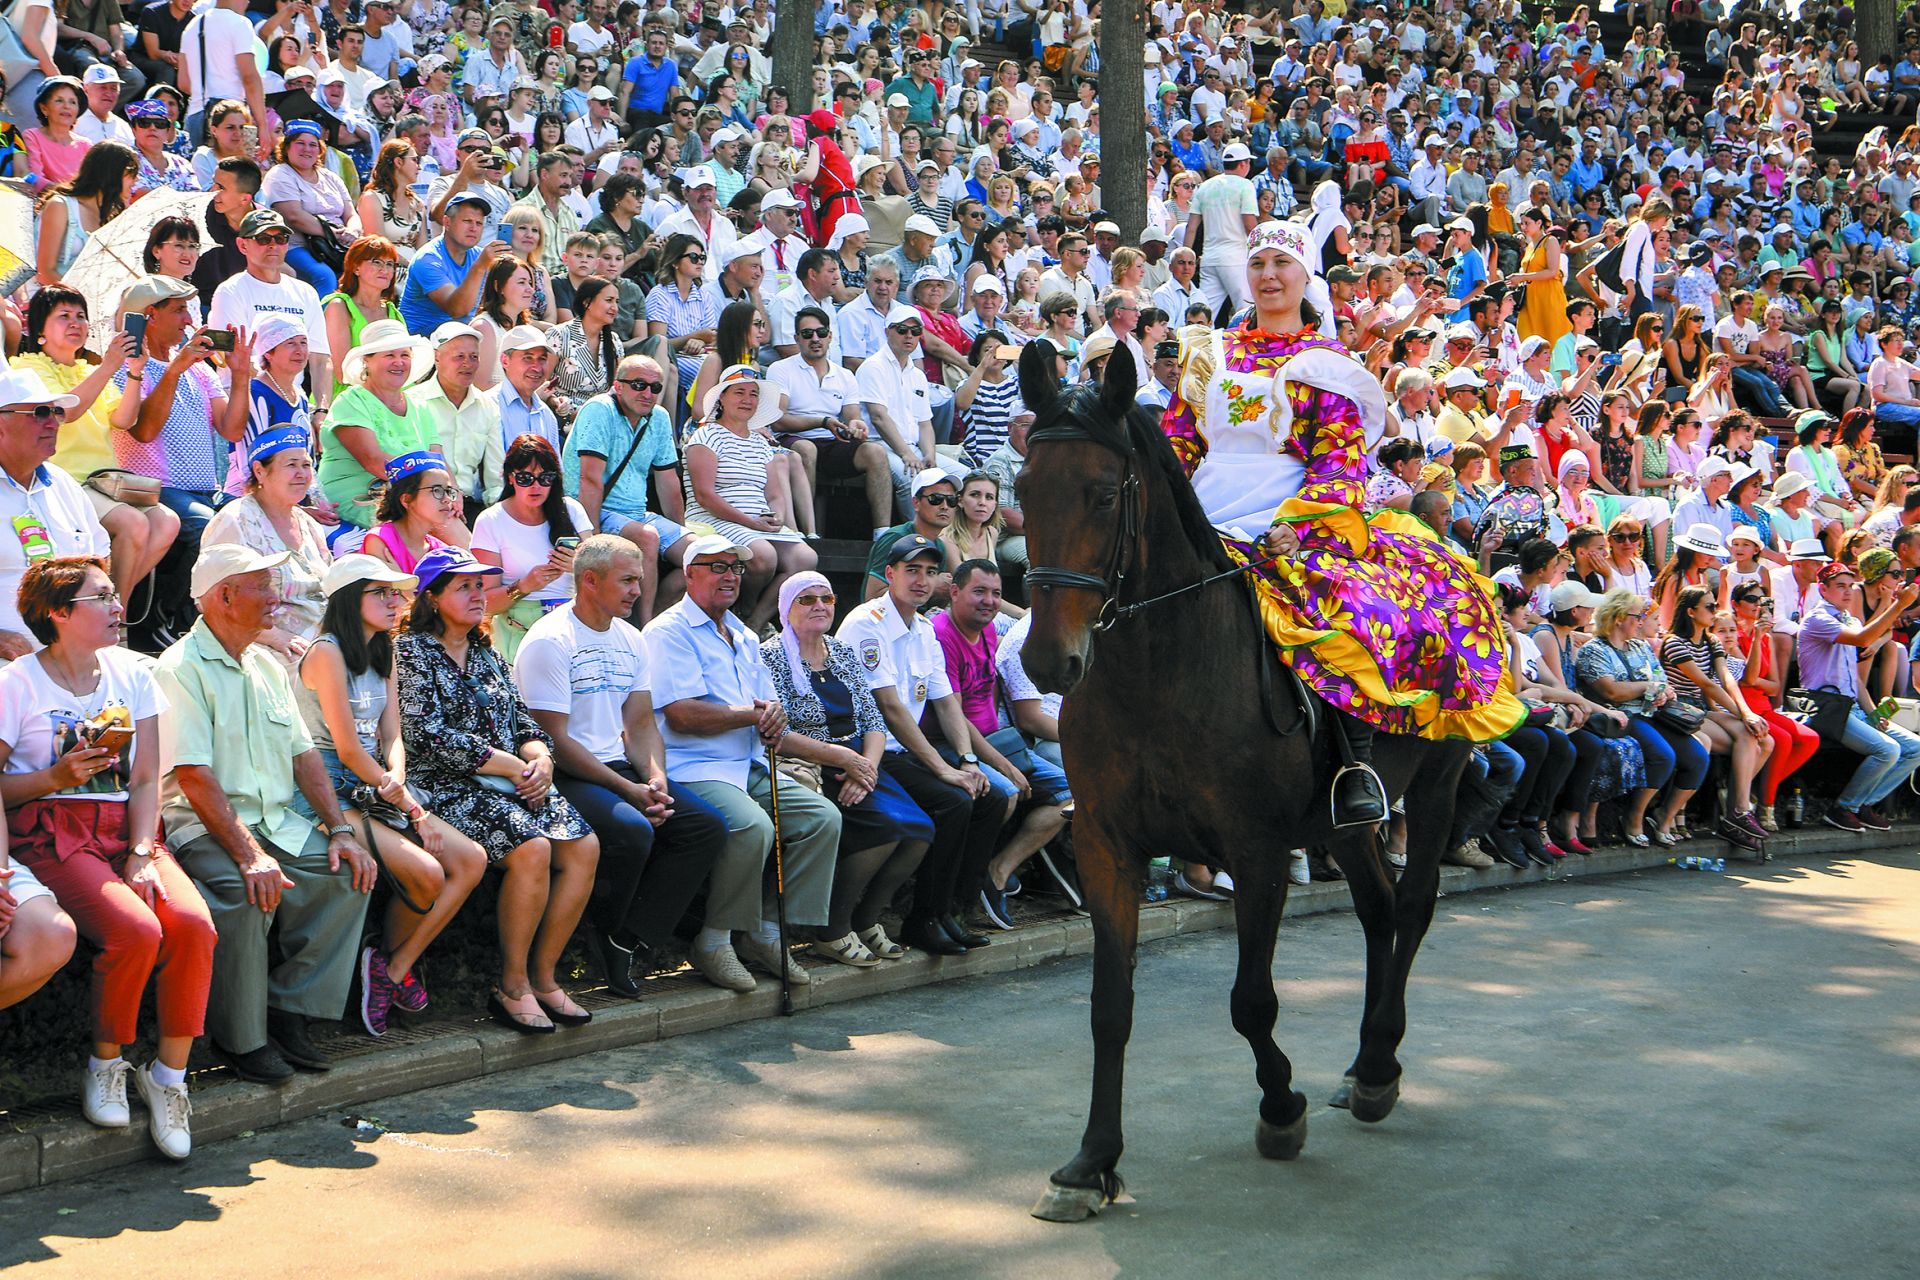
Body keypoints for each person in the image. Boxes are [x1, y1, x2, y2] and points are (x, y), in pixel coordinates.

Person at [1163, 220, 1523, 826]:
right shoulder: (1211, 351)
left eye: (1283, 263)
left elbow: (1339, 461)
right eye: (1258, 264)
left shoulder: (1329, 363)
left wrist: (1296, 529)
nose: (1269, 275)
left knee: (1354, 612)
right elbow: (1180, 439)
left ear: (1306, 276)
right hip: (1203, 507)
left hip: (1290, 509)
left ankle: (1352, 768)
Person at [0, 556, 212, 1159]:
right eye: (101, 597)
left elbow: (146, 780)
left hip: (128, 827)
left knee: (194, 926)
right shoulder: (17, 683)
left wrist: (144, 851)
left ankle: (168, 1078)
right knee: (135, 930)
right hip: (51, 829)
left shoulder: (134, 673)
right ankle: (106, 1062)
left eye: (116, 595)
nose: (119, 606)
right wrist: (53, 776)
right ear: (59, 614)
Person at [156, 544, 376, 1082]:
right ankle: (243, 1039)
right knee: (244, 894)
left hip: (275, 820)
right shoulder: (179, 668)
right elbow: (193, 777)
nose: (277, 597)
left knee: (348, 876)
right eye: (262, 585)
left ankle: (287, 1009)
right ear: (225, 596)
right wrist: (250, 855)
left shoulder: (266, 664)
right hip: (203, 822)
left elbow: (304, 757)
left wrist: (341, 830)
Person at [394, 547, 601, 1033]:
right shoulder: (409, 651)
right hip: (444, 785)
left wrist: (539, 755)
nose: (478, 594)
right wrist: (510, 765)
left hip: (509, 778)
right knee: (532, 849)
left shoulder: (486, 649)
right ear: (432, 596)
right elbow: (424, 733)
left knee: (584, 846)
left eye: (481, 585)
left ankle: (545, 977)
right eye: (463, 586)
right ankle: (512, 986)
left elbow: (521, 718)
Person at [514, 534, 728, 997]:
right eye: (627, 580)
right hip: (565, 772)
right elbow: (554, 739)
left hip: (618, 767)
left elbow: (640, 723)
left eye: (640, 579)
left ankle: (625, 939)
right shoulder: (550, 641)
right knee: (634, 830)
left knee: (705, 825)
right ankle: (598, 932)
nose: (637, 590)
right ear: (589, 581)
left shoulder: (632, 637)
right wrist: (627, 790)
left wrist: (655, 777)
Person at [295, 554, 488, 1036]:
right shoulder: (327, 652)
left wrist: (397, 776)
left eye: (396, 593)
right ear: (347, 599)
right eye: (380, 592)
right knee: (426, 871)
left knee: (471, 860)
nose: (394, 601)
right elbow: (343, 748)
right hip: (329, 786)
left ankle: (389, 971)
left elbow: (391, 733)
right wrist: (411, 806)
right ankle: (381, 972)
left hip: (378, 780)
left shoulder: (385, 648)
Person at [642, 536, 842, 992]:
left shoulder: (746, 634)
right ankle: (714, 940)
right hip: (693, 766)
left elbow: (767, 706)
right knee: (754, 827)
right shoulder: (667, 632)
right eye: (717, 567)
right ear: (690, 574)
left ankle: (767, 931)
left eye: (735, 568)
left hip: (746, 762)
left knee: (821, 819)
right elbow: (683, 715)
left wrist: (772, 717)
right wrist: (756, 715)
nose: (730, 575)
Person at [837, 535, 1013, 954]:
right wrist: (943, 768)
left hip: (906, 750)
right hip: (869, 750)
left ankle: (952, 909)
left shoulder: (922, 628)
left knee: (989, 796)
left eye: (930, 572)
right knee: (953, 801)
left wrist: (968, 760)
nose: (921, 580)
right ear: (890, 574)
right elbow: (891, 709)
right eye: (911, 570)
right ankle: (922, 919)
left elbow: (946, 701)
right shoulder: (867, 622)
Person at [759, 570, 930, 965]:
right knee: (883, 832)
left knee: (920, 830)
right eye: (807, 599)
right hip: (813, 764)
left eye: (828, 598)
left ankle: (866, 920)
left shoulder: (841, 652)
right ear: (787, 609)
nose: (820, 605)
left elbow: (873, 720)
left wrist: (865, 767)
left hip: (858, 761)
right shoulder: (770, 656)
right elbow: (775, 734)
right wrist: (845, 760)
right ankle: (831, 930)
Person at [10, 286, 176, 607]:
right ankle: (115, 619)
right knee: (134, 524)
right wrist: (109, 366)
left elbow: (125, 419)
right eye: (64, 316)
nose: (76, 323)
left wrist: (134, 371)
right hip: (63, 480)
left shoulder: (89, 369)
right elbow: (65, 413)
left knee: (166, 521)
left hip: (104, 482)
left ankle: (107, 607)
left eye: (81, 316)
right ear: (40, 330)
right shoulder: (27, 368)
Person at [934, 559, 1070, 924]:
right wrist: (1004, 762)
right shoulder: (942, 634)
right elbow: (955, 717)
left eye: (995, 593)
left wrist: (1008, 746)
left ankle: (995, 873)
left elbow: (990, 691)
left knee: (1067, 794)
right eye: (979, 592)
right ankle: (960, 896)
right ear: (954, 591)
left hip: (997, 740)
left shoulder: (990, 631)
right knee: (1003, 793)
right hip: (951, 743)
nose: (989, 601)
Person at [1573, 588, 1711, 848]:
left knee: (1697, 757)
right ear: (1618, 618)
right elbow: (1611, 690)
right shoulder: (1595, 650)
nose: (1640, 621)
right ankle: (1634, 816)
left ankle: (1664, 815)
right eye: (1637, 616)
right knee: (1663, 755)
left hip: (1653, 713)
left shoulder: (1640, 646)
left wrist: (1663, 692)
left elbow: (1661, 680)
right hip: (1621, 717)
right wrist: (1647, 687)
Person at [683, 366, 818, 629]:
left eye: (753, 394)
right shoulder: (706, 435)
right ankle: (745, 608)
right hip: (713, 518)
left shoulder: (759, 443)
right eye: (739, 392)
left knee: (806, 559)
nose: (747, 399)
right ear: (722, 398)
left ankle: (757, 620)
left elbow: (774, 494)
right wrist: (752, 523)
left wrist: (776, 517)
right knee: (763, 556)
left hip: (755, 520)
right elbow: (704, 495)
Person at [562, 353, 689, 624]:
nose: (647, 393)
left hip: (636, 512)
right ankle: (643, 629)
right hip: (595, 509)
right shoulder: (599, 409)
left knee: (704, 556)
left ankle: (658, 620)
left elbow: (669, 482)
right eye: (638, 384)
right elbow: (590, 479)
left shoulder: (659, 417)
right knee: (648, 537)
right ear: (618, 386)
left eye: (655, 387)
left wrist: (680, 532)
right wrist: (592, 539)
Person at [1796, 560, 1920, 832]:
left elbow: (1855, 678)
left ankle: (1861, 804)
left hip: (1850, 706)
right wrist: (1898, 606)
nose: (1848, 591)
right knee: (1887, 750)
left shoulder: (1848, 620)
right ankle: (1843, 808)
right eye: (1840, 586)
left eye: (1851, 585)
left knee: (1915, 748)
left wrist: (1873, 712)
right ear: (1823, 590)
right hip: (1825, 708)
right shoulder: (1818, 619)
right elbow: (1864, 639)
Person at [200, 430, 332, 666]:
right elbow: (206, 598)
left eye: (306, 465)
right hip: (265, 646)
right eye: (291, 465)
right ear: (260, 471)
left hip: (323, 640)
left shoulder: (309, 524)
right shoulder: (234, 520)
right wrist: (273, 636)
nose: (301, 474)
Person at [1659, 584, 1773, 853]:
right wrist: (1744, 713)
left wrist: (1746, 713)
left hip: (1701, 708)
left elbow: (1726, 678)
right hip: (1679, 709)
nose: (1714, 610)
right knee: (1748, 733)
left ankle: (1738, 811)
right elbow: (1706, 684)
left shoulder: (1711, 641)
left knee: (1753, 734)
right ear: (1690, 612)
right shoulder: (1675, 642)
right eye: (1709, 607)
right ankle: (1737, 813)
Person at [472, 435, 592, 662]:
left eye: (545, 478)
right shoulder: (490, 521)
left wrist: (579, 566)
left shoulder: (572, 511)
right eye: (526, 478)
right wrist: (524, 586)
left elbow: (601, 573)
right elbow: (483, 602)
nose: (536, 486)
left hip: (572, 621)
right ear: (510, 478)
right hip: (518, 628)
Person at [318, 321, 442, 532]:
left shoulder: (420, 405)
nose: (399, 362)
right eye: (389, 355)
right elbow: (374, 462)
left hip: (414, 498)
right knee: (435, 521)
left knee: (448, 518)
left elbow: (438, 462)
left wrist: (451, 493)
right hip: (364, 501)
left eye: (404, 355)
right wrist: (429, 490)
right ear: (367, 361)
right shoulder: (351, 401)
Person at [206, 210, 334, 412]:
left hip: (292, 401)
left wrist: (321, 410)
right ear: (242, 245)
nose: (273, 245)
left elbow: (320, 359)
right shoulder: (229, 292)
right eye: (263, 239)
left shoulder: (305, 292)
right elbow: (229, 356)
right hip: (244, 402)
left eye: (281, 238)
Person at [399, 193, 511, 335]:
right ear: (447, 222)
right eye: (467, 221)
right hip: (424, 341)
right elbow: (457, 310)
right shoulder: (428, 258)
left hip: (464, 337)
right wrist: (480, 267)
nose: (473, 228)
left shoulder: (479, 255)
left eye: (479, 223)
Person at [321, 237, 406, 395]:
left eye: (389, 264)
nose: (385, 270)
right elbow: (342, 373)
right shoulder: (339, 307)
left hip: (389, 395)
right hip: (349, 398)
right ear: (356, 268)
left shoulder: (393, 312)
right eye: (376, 262)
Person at [362, 452, 460, 575]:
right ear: (406, 499)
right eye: (437, 490)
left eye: (449, 491)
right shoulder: (380, 540)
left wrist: (404, 588)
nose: (447, 499)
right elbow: (385, 593)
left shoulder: (441, 551)